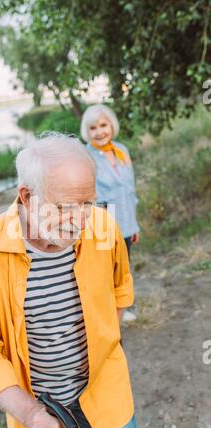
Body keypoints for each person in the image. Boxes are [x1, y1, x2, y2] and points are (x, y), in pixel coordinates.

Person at [0, 133, 140, 428]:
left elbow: (120, 289)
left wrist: (104, 342)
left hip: (103, 386)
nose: (80, 219)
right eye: (65, 207)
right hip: (37, 403)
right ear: (27, 197)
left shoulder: (103, 226)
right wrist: (29, 413)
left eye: (87, 202)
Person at [81, 104, 140, 322]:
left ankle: (121, 307)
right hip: (103, 221)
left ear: (111, 125)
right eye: (93, 128)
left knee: (123, 269)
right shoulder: (86, 156)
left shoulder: (121, 150)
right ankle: (104, 314)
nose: (100, 132)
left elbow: (130, 190)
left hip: (126, 220)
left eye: (103, 125)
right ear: (87, 132)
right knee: (104, 271)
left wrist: (134, 225)